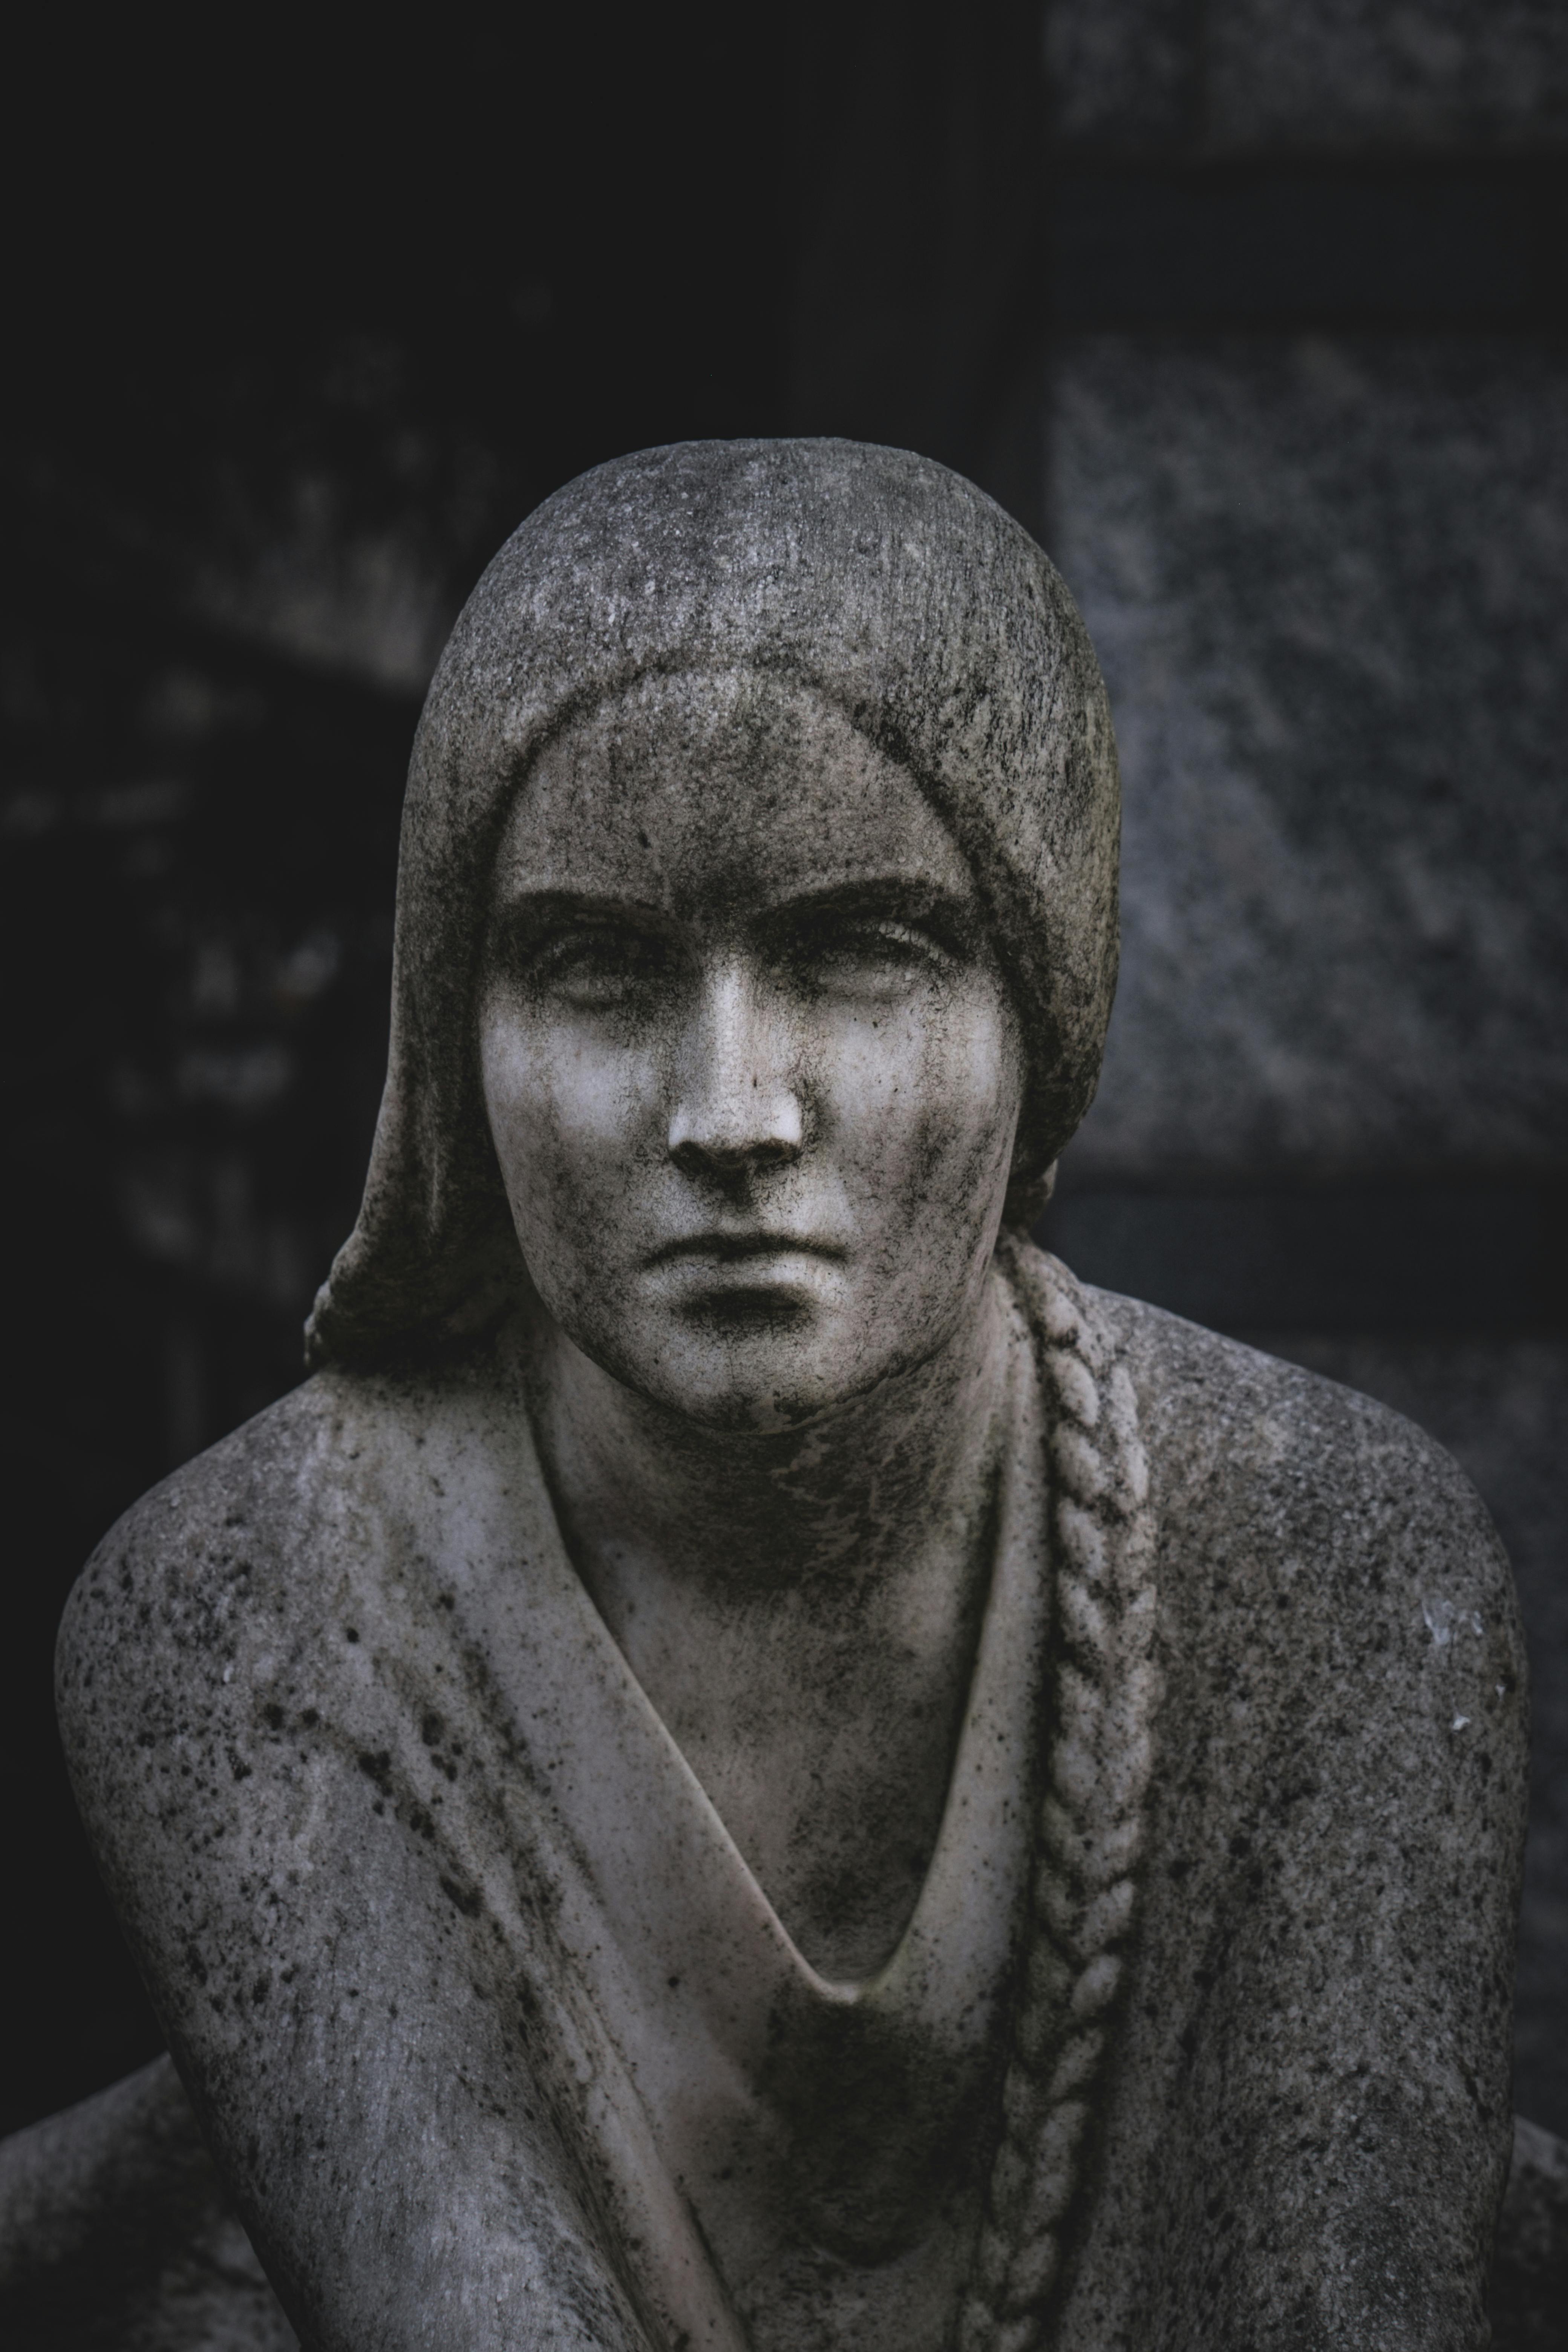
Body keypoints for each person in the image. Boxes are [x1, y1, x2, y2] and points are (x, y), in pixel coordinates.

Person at [53, 441, 1526, 2352]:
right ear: (452, 1034)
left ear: (1039, 1011)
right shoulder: (237, 1614)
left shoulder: (1328, 1569)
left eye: (857, 951)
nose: (730, 1112)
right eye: (594, 966)